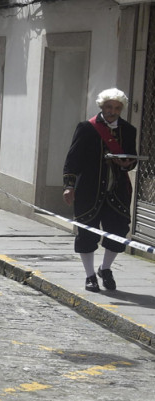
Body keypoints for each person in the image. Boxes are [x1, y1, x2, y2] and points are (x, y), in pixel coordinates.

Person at [63, 88, 137, 292]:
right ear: (102, 107)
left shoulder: (129, 130)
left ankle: (105, 269)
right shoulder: (86, 128)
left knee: (118, 232)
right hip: (89, 190)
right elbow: (72, 159)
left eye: (117, 108)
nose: (112, 111)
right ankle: (89, 275)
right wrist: (69, 186)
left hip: (118, 191)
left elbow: (131, 159)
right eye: (109, 107)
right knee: (87, 233)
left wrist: (127, 164)